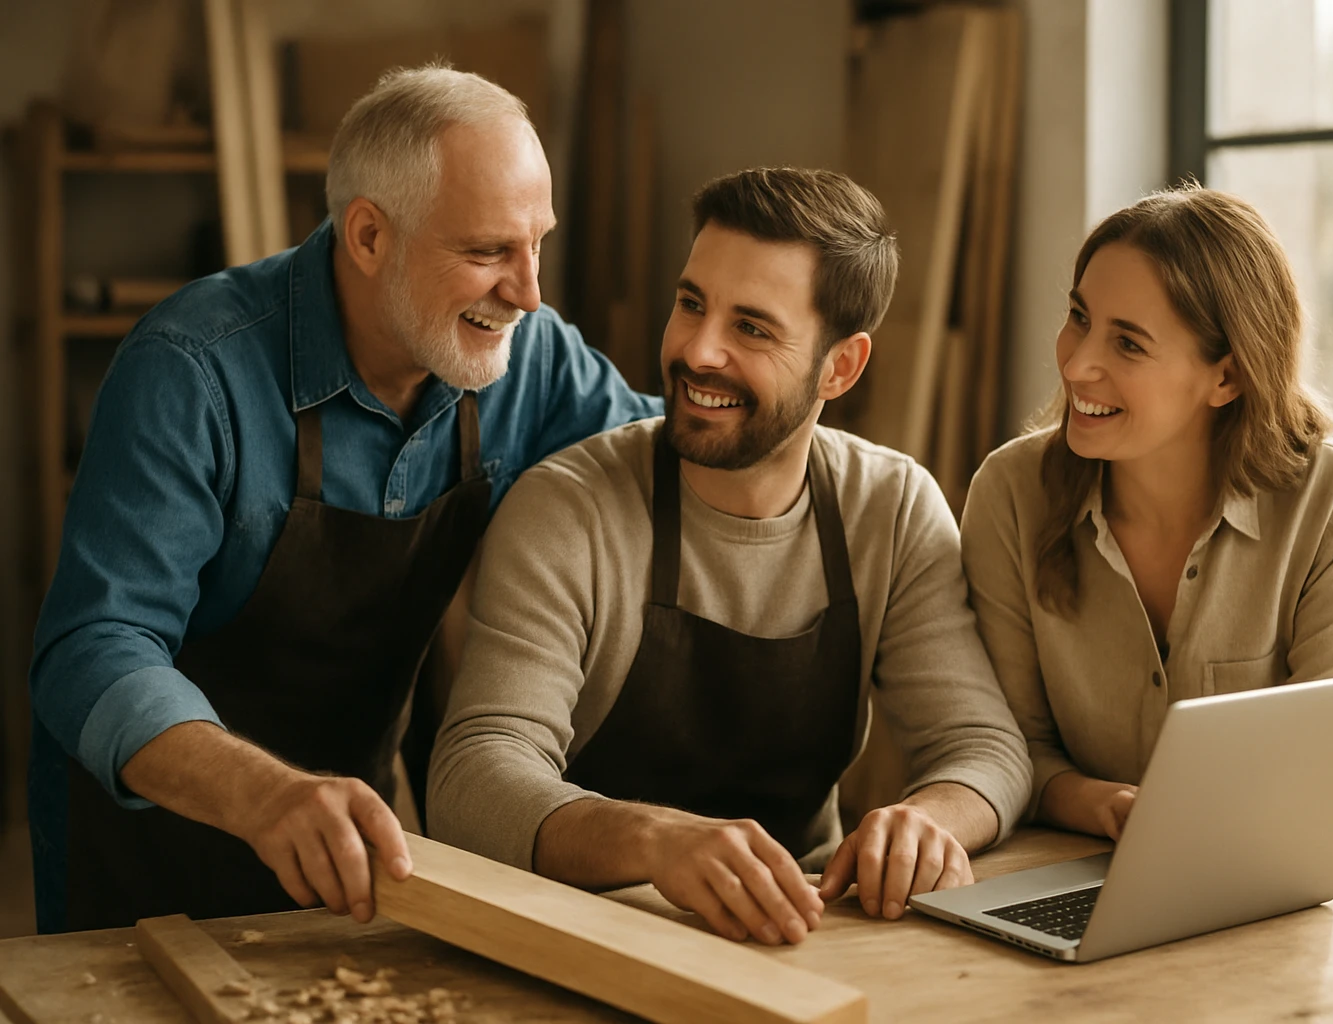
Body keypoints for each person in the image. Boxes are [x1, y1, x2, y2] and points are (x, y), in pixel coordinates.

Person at [28, 66, 659, 934]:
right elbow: (93, 647)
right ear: (368, 236)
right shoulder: (190, 370)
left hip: (350, 850)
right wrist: (266, 795)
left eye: (536, 243)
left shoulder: (531, 357)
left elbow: (668, 462)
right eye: (486, 253)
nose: (528, 293)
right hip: (151, 857)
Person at [428, 167, 1032, 946]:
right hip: (588, 932)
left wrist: (928, 821)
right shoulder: (568, 509)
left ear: (841, 367)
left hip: (807, 929)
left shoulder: (892, 508)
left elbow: (984, 748)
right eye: (691, 304)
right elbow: (473, 776)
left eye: (751, 328)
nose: (698, 350)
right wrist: (653, 841)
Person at [961, 185, 1333, 842]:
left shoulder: (1329, 500)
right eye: (1079, 317)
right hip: (1065, 868)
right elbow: (1009, 747)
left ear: (1227, 378)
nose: (1077, 364)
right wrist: (1102, 805)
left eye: (1128, 344)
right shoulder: (1010, 493)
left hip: (1268, 872)